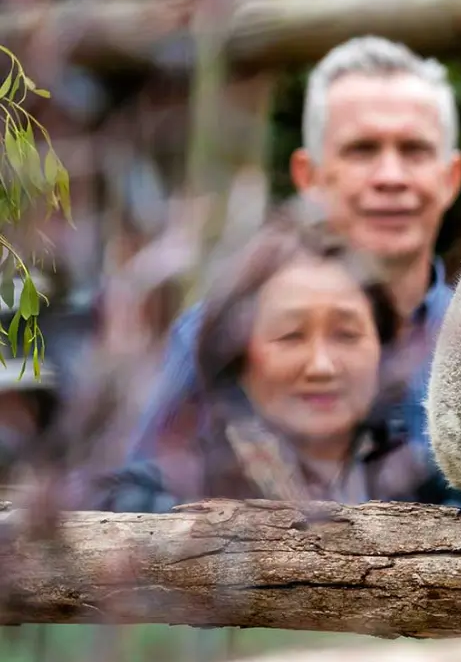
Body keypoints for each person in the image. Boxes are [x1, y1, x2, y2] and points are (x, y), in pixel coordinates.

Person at [125, 36, 461, 516]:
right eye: (362, 150)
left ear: (451, 177)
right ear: (308, 176)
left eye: (414, 150)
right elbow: (130, 508)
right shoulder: (215, 335)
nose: (391, 176)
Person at [93, 202, 440, 511]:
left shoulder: (433, 488)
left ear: (383, 347)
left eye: (346, 334)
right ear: (237, 354)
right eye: (291, 336)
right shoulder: (162, 494)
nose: (321, 365)